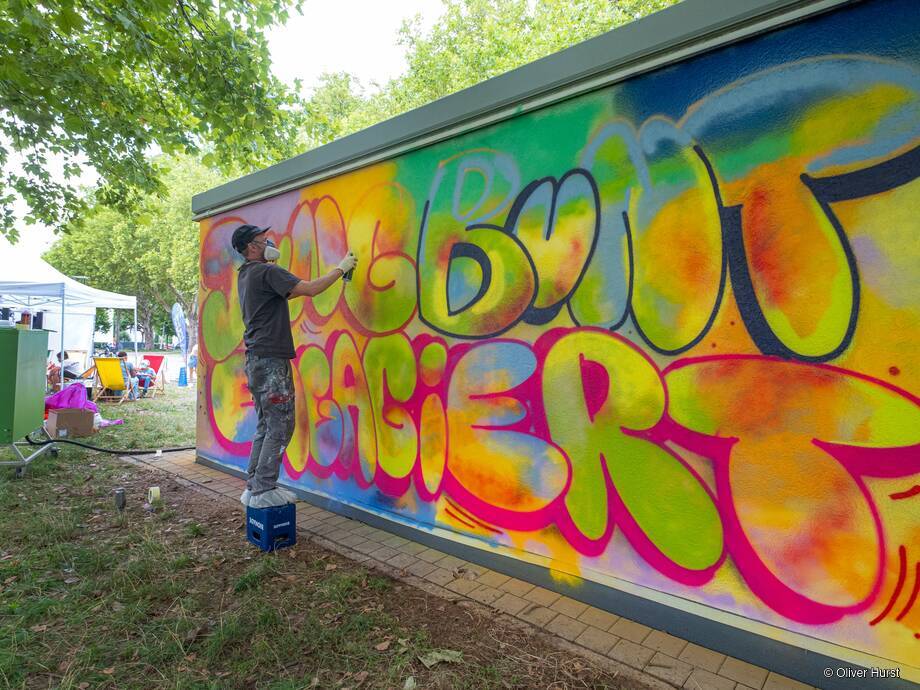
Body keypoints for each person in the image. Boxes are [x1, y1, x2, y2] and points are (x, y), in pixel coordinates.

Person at [232, 224, 356, 509]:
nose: (270, 242)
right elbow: (310, 289)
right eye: (264, 240)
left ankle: (254, 488)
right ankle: (264, 489)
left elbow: (290, 293)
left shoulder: (248, 275)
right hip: (272, 361)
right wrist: (341, 268)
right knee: (281, 425)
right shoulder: (267, 272)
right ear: (251, 247)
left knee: (265, 424)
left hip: (256, 361)